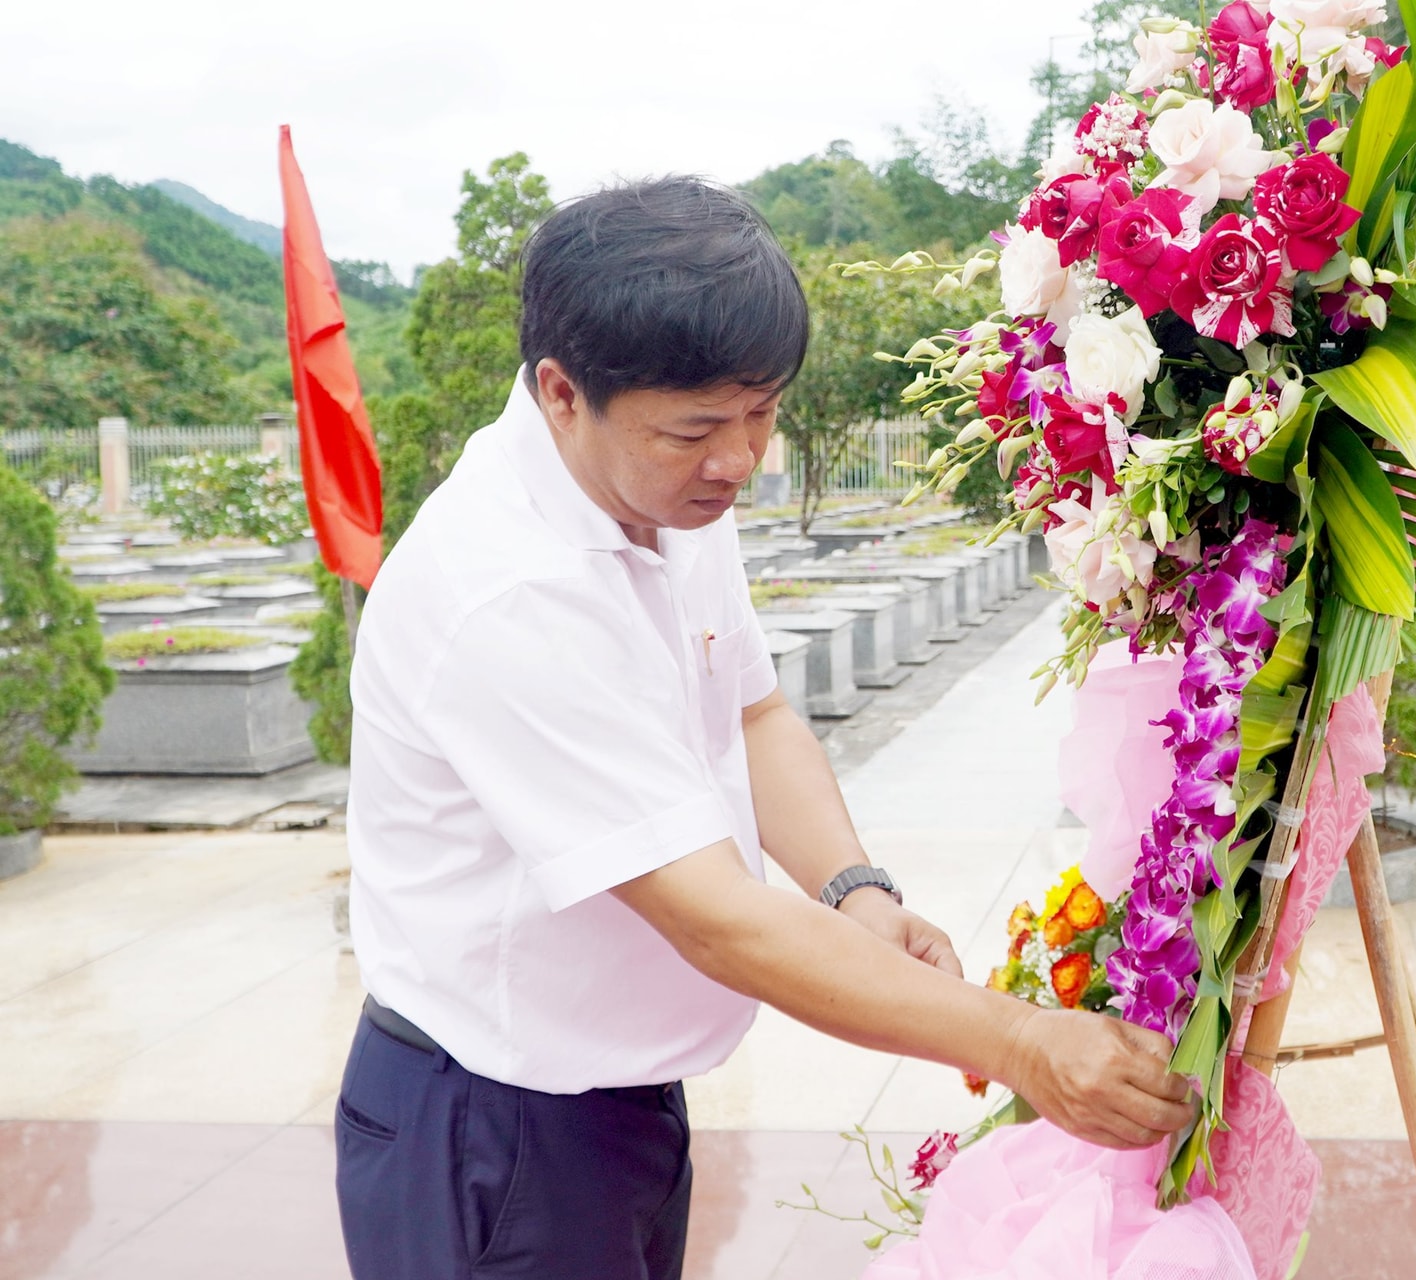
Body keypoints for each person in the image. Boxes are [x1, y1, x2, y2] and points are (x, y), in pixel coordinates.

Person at [333, 176, 1192, 1280]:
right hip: (491, 1118)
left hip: (615, 1099)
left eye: (763, 411)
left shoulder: (666, 492)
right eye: (697, 428)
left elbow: (754, 709)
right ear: (561, 392)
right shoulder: (507, 592)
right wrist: (1023, 1040)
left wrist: (855, 889)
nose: (740, 458)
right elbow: (718, 918)